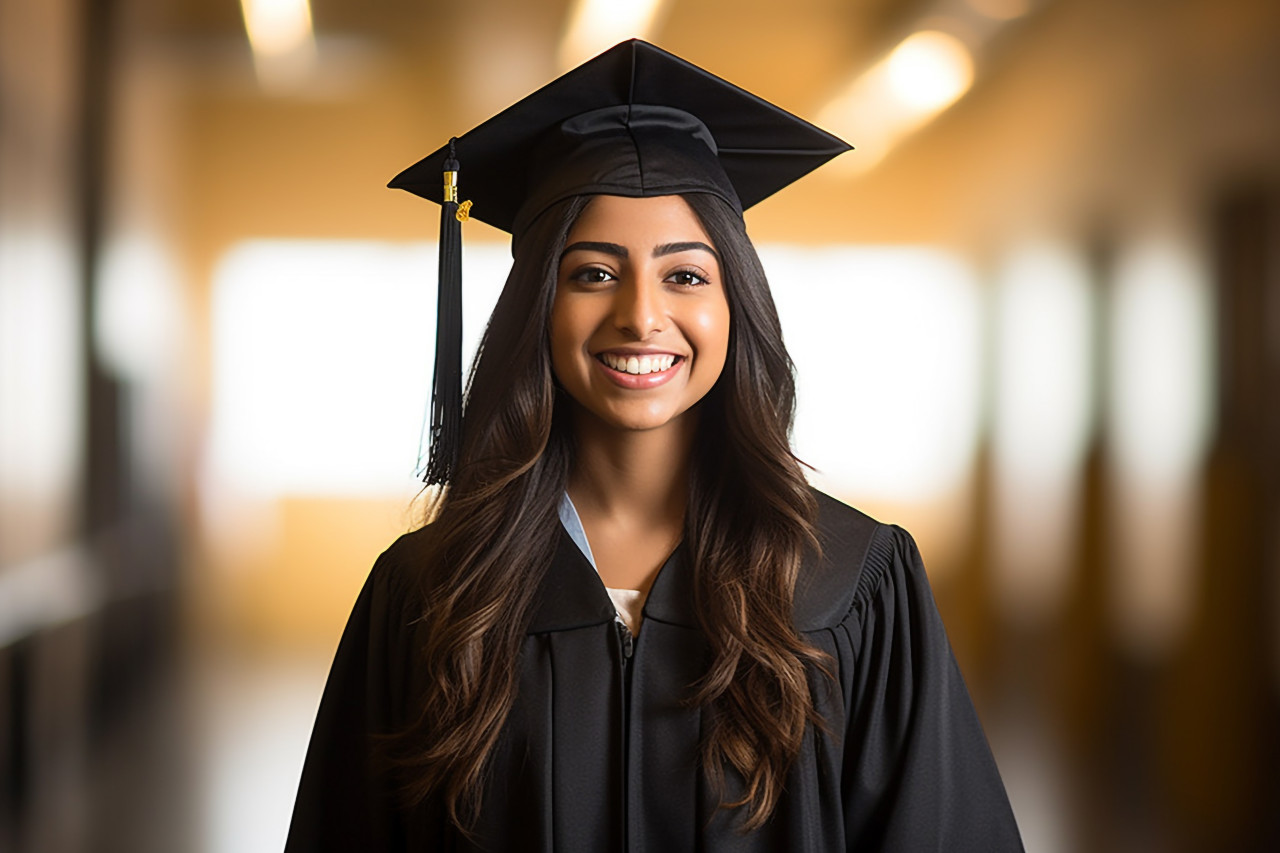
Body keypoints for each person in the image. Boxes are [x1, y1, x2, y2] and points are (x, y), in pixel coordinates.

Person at [284, 40, 1024, 852]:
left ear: (735, 302)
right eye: (594, 273)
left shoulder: (849, 582)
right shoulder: (429, 593)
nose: (641, 316)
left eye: (685, 275)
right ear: (539, 306)